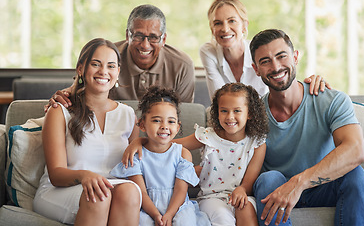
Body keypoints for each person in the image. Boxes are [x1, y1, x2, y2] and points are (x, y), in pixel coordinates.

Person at [249, 29, 364, 226]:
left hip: (323, 187)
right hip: (276, 193)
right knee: (268, 179)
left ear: (295, 57)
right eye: (265, 61)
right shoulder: (252, 114)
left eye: (281, 56)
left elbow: (355, 150)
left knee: (355, 174)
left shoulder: (331, 100)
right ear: (256, 69)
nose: (276, 66)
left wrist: (299, 183)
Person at [123, 82, 269, 226]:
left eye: (237, 111)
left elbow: (249, 182)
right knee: (223, 217)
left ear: (249, 113)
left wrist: (242, 189)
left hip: (240, 194)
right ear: (217, 112)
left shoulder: (257, 144)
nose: (230, 117)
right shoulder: (208, 136)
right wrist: (140, 141)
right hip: (211, 196)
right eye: (224, 111)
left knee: (246, 209)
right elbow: (166, 144)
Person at [33, 38, 141, 226]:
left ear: (118, 72)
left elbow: (133, 168)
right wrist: (85, 176)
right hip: (61, 190)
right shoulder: (60, 111)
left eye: (111, 66)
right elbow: (56, 174)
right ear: (81, 69)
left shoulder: (128, 115)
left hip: (109, 187)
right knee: (98, 195)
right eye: (96, 64)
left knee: (130, 191)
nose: (103, 72)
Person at [47, 4, 194, 111]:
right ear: (127, 36)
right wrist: (65, 96)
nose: (145, 45)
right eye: (138, 36)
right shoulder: (107, 56)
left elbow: (185, 114)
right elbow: (80, 90)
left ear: (164, 39)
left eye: (153, 37)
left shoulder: (182, 65)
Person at [110, 86, 210, 226]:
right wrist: (156, 215)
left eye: (171, 121)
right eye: (157, 120)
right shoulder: (136, 154)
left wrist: (169, 214)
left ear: (178, 127)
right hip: (147, 207)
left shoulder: (182, 153)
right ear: (142, 125)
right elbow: (141, 193)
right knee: (142, 221)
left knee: (184, 222)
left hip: (178, 206)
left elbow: (181, 190)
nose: (164, 126)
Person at [200, 0, 329, 100]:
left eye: (232, 21)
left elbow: (284, 87)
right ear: (212, 28)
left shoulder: (260, 53)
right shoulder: (208, 52)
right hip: (231, 120)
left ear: (244, 25)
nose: (225, 29)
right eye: (218, 23)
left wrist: (313, 83)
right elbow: (219, 101)